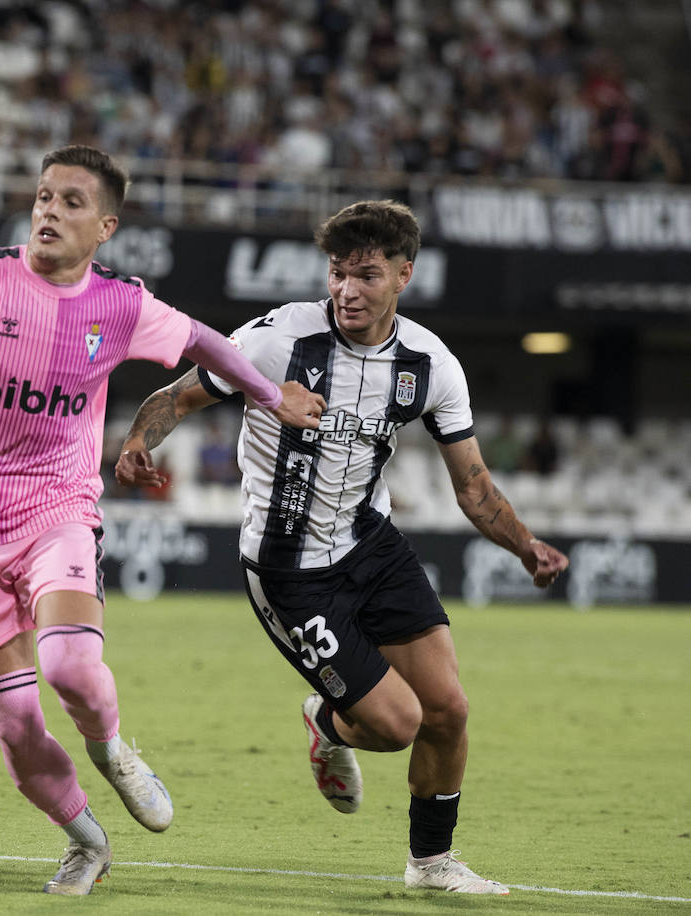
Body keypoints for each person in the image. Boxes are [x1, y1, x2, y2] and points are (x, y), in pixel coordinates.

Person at [0, 144, 324, 895]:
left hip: (58, 511)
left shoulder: (121, 305)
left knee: (69, 666)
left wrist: (272, 396)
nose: (48, 212)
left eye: (69, 202)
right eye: (41, 197)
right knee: (16, 726)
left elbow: (203, 342)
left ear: (105, 226)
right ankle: (86, 840)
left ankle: (113, 751)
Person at [115, 200, 569, 895]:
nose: (347, 291)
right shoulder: (276, 341)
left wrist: (526, 546)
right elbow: (176, 398)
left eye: (366, 275)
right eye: (336, 274)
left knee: (448, 710)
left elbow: (473, 487)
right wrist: (138, 444)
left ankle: (431, 864)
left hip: (372, 546)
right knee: (395, 726)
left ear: (403, 275)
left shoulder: (429, 364)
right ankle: (328, 720)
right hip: (288, 570)